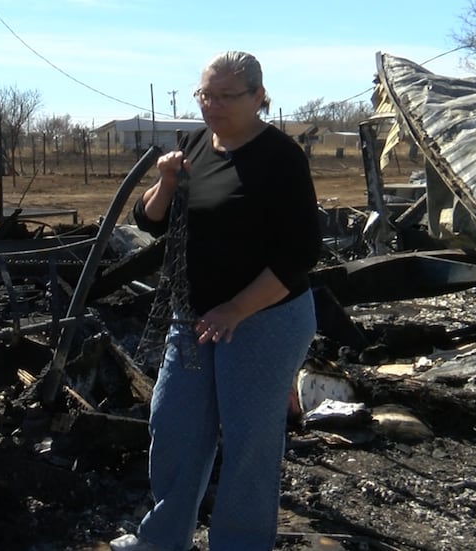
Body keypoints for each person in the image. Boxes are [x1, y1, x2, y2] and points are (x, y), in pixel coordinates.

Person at [110, 51, 321, 551]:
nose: (214, 105)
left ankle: (240, 543)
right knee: (174, 427)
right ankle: (163, 539)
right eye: (207, 94)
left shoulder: (281, 157)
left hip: (266, 317)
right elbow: (150, 221)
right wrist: (164, 180)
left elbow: (300, 254)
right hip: (194, 314)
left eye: (228, 96)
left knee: (249, 442)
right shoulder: (194, 143)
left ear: (258, 97)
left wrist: (237, 310)